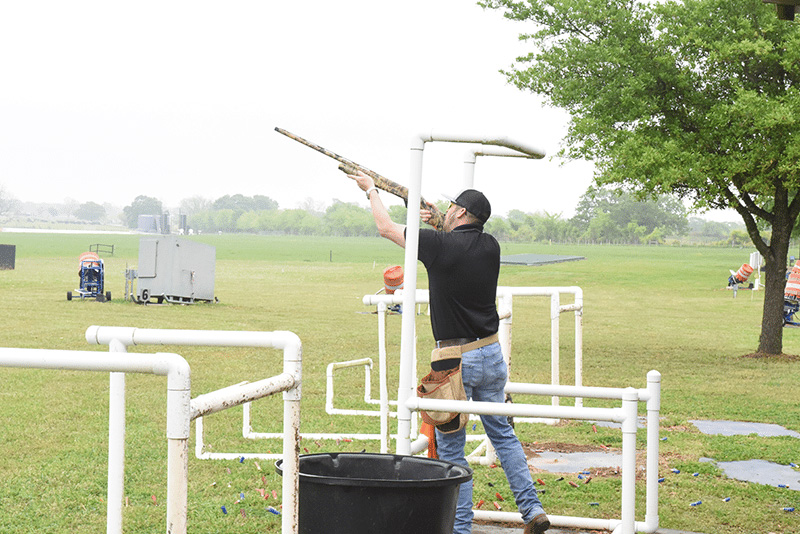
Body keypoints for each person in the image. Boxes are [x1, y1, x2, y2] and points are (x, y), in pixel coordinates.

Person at [350, 170, 549, 534]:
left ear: (459, 213)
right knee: (503, 436)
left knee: (452, 450)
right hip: (491, 354)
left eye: (453, 209)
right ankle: (532, 509)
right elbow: (457, 240)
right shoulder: (491, 246)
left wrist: (371, 192)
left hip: (455, 362)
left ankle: (459, 529)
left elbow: (387, 229)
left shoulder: (440, 247)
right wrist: (437, 217)